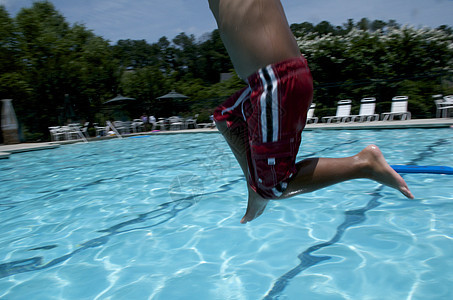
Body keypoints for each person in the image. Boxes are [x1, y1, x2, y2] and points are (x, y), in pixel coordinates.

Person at [208, 0, 414, 224]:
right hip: (264, 81)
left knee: (275, 187)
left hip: (277, 80)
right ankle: (255, 188)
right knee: (226, 117)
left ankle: (364, 164)